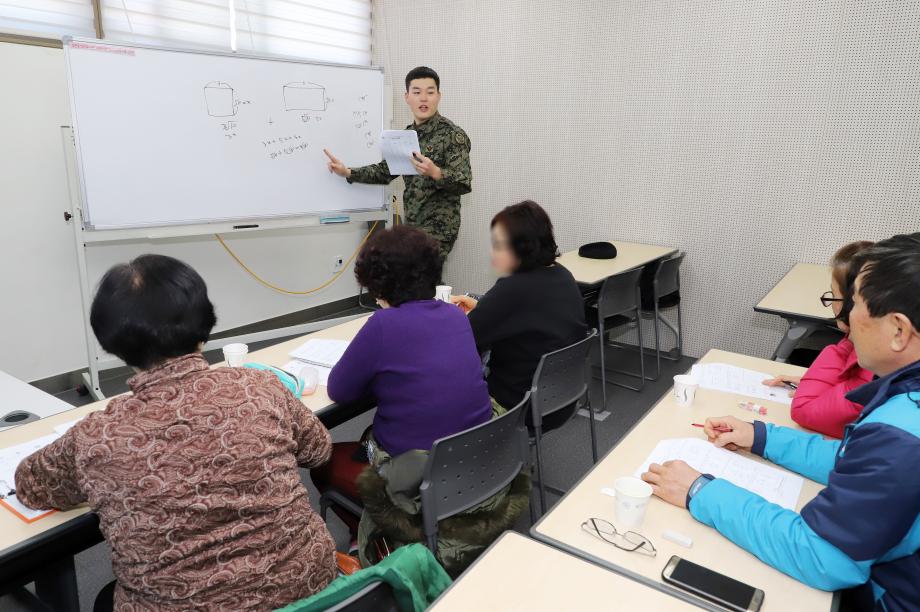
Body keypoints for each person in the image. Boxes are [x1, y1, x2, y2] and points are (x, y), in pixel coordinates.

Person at [15, 255, 337, 611]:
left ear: (111, 341)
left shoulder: (97, 437)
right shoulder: (260, 386)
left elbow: (31, 485)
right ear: (205, 324)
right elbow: (319, 451)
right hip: (313, 591)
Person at [641, 232, 920, 611]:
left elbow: (821, 556)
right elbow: (851, 458)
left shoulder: (902, 436)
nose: (848, 317)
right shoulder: (904, 409)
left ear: (899, 331)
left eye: (857, 304)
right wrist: (761, 437)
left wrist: (698, 490)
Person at [451, 200, 587, 413]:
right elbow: (528, 317)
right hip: (563, 397)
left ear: (522, 248)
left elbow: (463, 337)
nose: (492, 252)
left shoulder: (513, 288)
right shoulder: (563, 275)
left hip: (515, 406)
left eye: (499, 245)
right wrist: (483, 307)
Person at [323, 66, 472, 259]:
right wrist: (348, 172)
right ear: (407, 97)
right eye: (417, 92)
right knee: (413, 281)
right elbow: (385, 171)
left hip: (439, 227)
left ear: (438, 96)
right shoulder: (406, 136)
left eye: (430, 92)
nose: (424, 98)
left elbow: (464, 182)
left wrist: (435, 172)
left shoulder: (453, 135)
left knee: (418, 276)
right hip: (412, 226)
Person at [762, 241, 875, 438]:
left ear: (852, 304)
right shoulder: (868, 353)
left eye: (833, 296)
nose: (830, 304)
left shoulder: (872, 364)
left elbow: (804, 409)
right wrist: (811, 382)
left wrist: (845, 340)